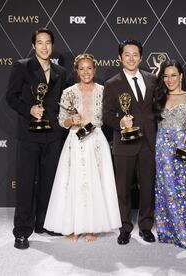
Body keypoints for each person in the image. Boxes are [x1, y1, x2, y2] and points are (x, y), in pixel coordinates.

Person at [43, 54, 121, 242]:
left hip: (96, 139)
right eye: (82, 68)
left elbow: (109, 116)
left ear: (94, 70)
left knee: (96, 182)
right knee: (73, 182)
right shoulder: (69, 92)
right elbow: (62, 120)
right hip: (75, 140)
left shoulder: (104, 91)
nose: (86, 72)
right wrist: (72, 121)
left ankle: (92, 227)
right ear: (76, 71)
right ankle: (72, 227)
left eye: (89, 68)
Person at [6, 28, 67, 249]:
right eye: (39, 43)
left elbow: (61, 102)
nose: (44, 46)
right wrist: (29, 110)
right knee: (25, 183)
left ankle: (44, 223)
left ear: (52, 46)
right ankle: (22, 231)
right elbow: (10, 97)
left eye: (48, 43)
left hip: (52, 134)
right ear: (33, 46)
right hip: (29, 134)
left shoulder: (60, 70)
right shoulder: (22, 66)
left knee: (48, 182)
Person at [102, 39, 157, 245]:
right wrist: (120, 122)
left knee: (147, 187)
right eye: (127, 54)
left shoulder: (152, 79)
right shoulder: (112, 83)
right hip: (124, 143)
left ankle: (145, 226)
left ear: (141, 57)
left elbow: (157, 109)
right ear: (120, 57)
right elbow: (106, 115)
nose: (131, 58)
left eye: (135, 54)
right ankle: (124, 227)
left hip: (149, 143)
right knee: (123, 188)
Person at [154, 60, 186, 249]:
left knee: (183, 185)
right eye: (166, 76)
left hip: (181, 147)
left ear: (181, 76)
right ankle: (168, 229)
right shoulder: (159, 96)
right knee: (165, 187)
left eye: (173, 75)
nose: (169, 79)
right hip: (162, 148)